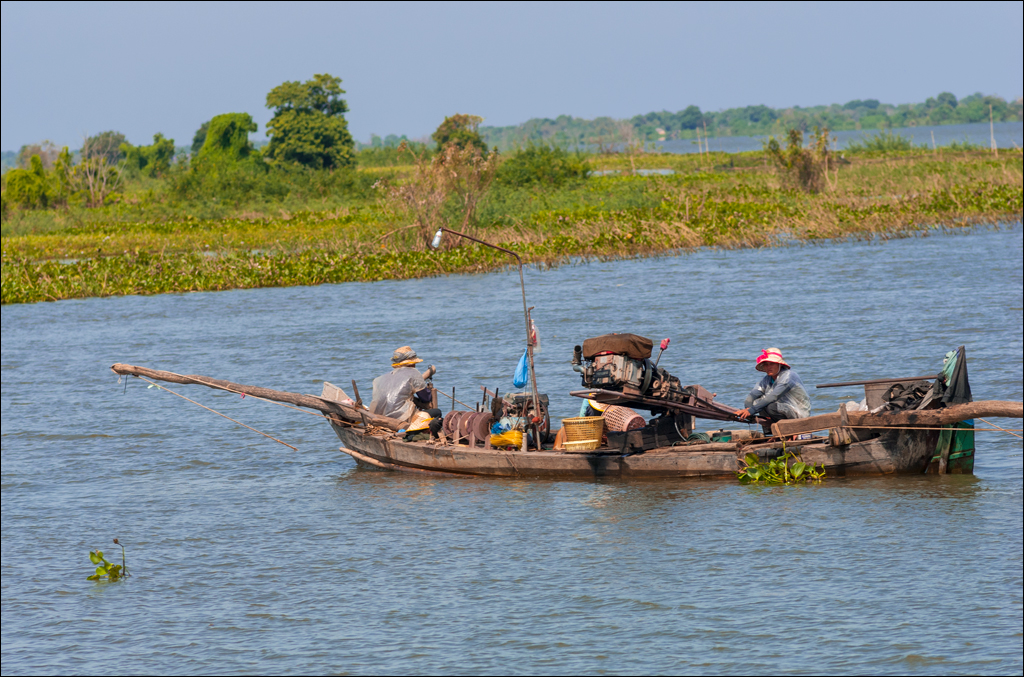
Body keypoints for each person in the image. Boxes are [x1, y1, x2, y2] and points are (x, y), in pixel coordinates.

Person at [735, 347, 811, 433]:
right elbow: (752, 396)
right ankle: (771, 432)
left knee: (769, 406)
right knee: (759, 403)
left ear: (779, 365)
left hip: (798, 414)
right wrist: (748, 409)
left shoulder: (788, 376)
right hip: (781, 410)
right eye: (766, 364)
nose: (768, 367)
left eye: (771, 364)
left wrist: (752, 410)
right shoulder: (766, 379)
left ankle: (789, 431)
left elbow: (773, 396)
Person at [369, 346, 437, 424]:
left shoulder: (380, 379)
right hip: (401, 419)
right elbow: (426, 398)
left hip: (378, 417)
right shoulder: (413, 372)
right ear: (412, 363)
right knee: (437, 412)